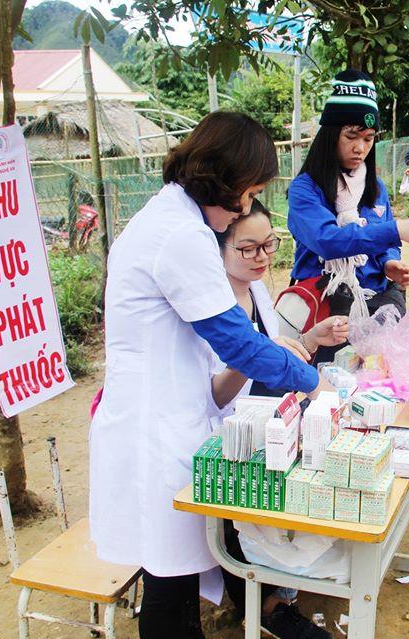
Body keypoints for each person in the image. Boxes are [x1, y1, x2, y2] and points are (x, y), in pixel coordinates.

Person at [88, 111, 325, 638]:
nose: (245, 207)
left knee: (175, 576)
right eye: (249, 192)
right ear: (223, 181)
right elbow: (239, 342)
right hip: (155, 430)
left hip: (169, 417)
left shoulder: (169, 219)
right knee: (169, 581)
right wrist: (315, 383)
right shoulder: (181, 235)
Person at [211, 204, 348, 639]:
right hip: (227, 431)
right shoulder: (211, 305)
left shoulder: (257, 291)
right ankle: (266, 605)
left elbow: (274, 354)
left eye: (268, 245)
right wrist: (248, 356)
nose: (262, 257)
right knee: (243, 507)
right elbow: (218, 393)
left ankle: (283, 585)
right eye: (247, 248)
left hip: (268, 418)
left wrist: (310, 339)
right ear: (218, 247)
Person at [288, 70, 409, 360]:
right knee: (327, 381)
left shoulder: (374, 186)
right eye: (351, 136)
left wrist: (388, 262)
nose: (360, 148)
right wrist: (396, 230)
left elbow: (384, 242)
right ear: (330, 134)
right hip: (326, 313)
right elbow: (328, 240)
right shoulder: (305, 190)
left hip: (374, 307)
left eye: (369, 138)